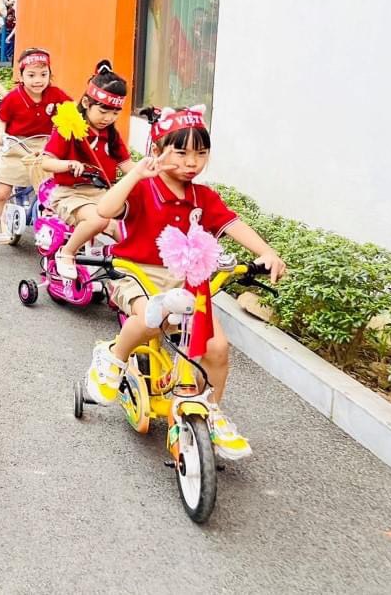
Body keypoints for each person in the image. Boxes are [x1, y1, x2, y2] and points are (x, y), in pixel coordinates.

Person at [83, 107, 287, 459]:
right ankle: (113, 356)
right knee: (153, 317)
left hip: (188, 281)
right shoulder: (143, 188)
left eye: (201, 153)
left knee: (217, 348)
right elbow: (104, 210)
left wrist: (266, 251)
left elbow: (232, 225)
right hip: (137, 272)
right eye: (180, 152)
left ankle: (211, 409)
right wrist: (136, 174)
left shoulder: (203, 197)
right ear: (157, 150)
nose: (192, 162)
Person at [40, 61, 135, 278]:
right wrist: (68, 164)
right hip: (71, 194)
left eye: (115, 113)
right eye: (103, 111)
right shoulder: (68, 127)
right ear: (86, 102)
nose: (109, 118)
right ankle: (67, 253)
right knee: (98, 219)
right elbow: (46, 162)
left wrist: (151, 174)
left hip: (103, 194)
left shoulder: (111, 134)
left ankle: (134, 268)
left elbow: (127, 166)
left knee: (129, 227)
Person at [0, 49, 70, 261]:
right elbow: (1, 119)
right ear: (22, 75)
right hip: (16, 145)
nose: (38, 80)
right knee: (1, 194)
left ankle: (62, 239)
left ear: (50, 74)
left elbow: (72, 112)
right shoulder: (14, 97)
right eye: (31, 75)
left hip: (45, 147)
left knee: (54, 194)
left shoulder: (56, 95)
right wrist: (1, 134)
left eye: (43, 74)